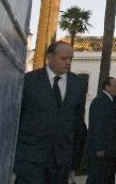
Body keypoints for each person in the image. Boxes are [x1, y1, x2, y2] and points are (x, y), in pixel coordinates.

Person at [14, 41, 87, 184]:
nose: (68, 62)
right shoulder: (29, 81)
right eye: (64, 58)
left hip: (61, 163)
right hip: (30, 159)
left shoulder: (78, 84)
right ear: (50, 57)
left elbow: (77, 125)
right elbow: (17, 118)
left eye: (71, 59)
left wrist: (74, 164)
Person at [86, 77, 116, 184]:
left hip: (107, 150)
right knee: (98, 178)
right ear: (107, 86)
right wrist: (100, 147)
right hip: (102, 151)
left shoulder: (107, 101)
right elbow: (98, 126)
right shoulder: (101, 101)